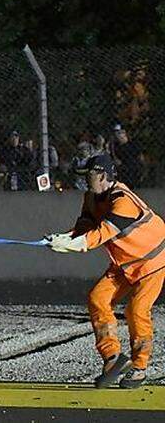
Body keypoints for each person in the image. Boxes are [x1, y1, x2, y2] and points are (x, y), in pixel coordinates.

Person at [43, 154, 165, 389]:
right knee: (97, 299)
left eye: (88, 175)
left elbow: (101, 234)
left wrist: (73, 244)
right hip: (125, 264)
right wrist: (62, 238)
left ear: (102, 176)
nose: (84, 180)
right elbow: (84, 228)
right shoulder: (91, 197)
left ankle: (139, 368)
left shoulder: (123, 200)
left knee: (137, 310)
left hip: (152, 261)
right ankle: (113, 358)